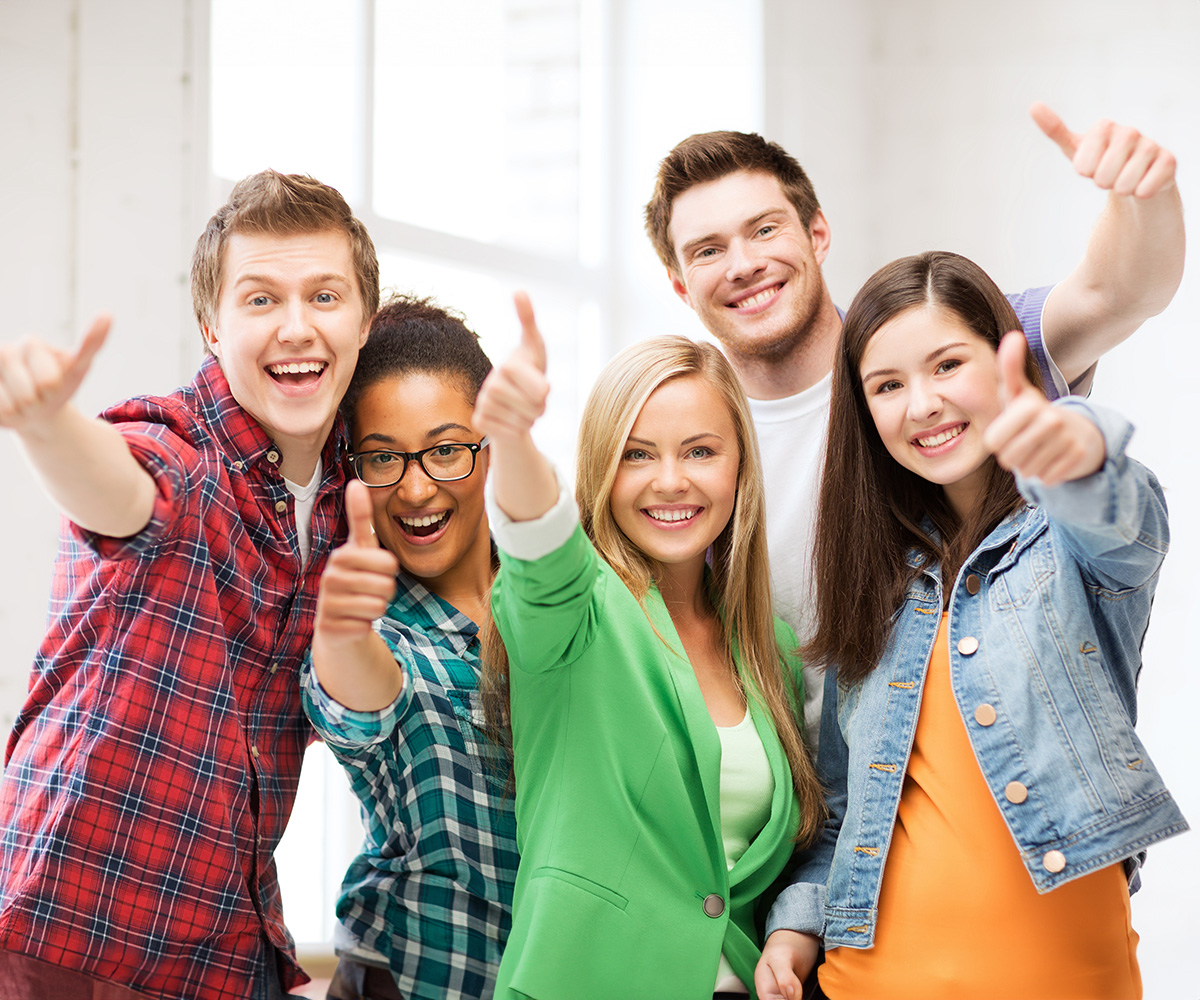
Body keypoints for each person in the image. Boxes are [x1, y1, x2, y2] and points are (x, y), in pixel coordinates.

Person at [644, 105, 1184, 739]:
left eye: (764, 230)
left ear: (817, 234)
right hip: (806, 819)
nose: (742, 265)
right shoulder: (686, 455)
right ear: (681, 286)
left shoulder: (955, 364)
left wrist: (1143, 200)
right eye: (708, 250)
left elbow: (1115, 294)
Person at [754, 251, 1187, 1000]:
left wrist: (1074, 449)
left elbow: (1126, 521)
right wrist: (793, 931)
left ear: (1002, 361)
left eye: (948, 365)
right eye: (887, 385)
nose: (921, 404)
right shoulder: (874, 590)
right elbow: (845, 816)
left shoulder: (1070, 544)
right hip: (867, 982)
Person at [0, 171, 379, 1000]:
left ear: (363, 320)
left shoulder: (354, 501)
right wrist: (44, 425)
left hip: (223, 946)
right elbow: (122, 489)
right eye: (259, 300)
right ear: (212, 326)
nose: (295, 326)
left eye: (324, 295)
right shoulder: (182, 450)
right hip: (69, 931)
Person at [472, 294, 824, 999]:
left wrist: (789, 942)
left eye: (700, 451)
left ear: (738, 469)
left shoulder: (769, 650)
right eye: (638, 454)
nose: (671, 481)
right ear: (604, 467)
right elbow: (541, 548)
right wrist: (512, 439)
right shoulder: (581, 613)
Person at [300, 296, 517, 1000]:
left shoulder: (553, 592)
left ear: (491, 444)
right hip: (410, 978)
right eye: (384, 458)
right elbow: (358, 702)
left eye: (446, 449)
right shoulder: (379, 627)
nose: (417, 487)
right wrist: (342, 632)